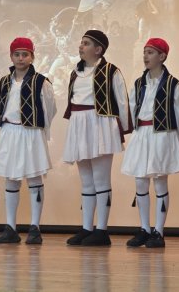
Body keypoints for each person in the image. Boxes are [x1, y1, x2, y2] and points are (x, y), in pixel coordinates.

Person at [62, 30, 132, 246]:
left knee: (101, 179)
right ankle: (86, 228)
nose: (81, 46)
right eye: (81, 43)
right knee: (86, 181)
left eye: (86, 43)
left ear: (98, 49)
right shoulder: (76, 72)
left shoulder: (111, 71)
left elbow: (122, 100)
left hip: (100, 124)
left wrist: (123, 129)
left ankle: (101, 229)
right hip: (79, 124)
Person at [121, 37, 179, 248]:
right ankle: (144, 228)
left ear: (162, 56)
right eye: (145, 52)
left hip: (162, 135)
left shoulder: (173, 85)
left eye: (150, 52)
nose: (145, 56)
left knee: (160, 181)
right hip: (142, 133)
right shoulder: (138, 84)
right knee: (140, 181)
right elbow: (131, 109)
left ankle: (158, 231)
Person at [0, 37, 57, 244]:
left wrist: (39, 128)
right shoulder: (4, 81)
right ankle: (10, 227)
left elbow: (50, 108)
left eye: (25, 54)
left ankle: (35, 227)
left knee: (34, 179)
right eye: (17, 54)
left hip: (31, 133)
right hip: (10, 131)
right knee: (11, 178)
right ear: (11, 56)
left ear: (32, 57)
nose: (20, 58)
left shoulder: (41, 82)